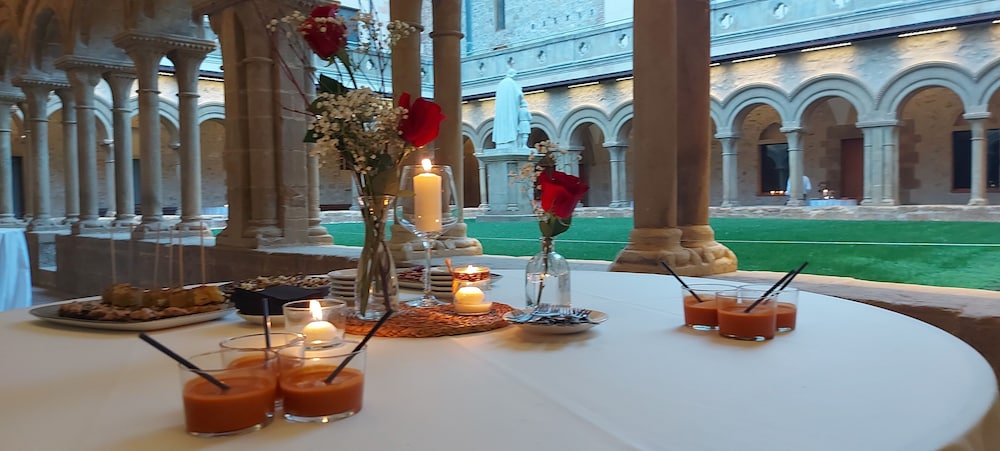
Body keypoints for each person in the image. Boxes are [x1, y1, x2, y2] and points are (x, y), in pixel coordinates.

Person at [493, 69, 524, 147]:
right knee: (510, 123)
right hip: (510, 109)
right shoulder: (511, 82)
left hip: (501, 111)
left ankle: (501, 141)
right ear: (512, 74)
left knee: (502, 124)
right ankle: (510, 140)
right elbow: (519, 94)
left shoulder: (501, 84)